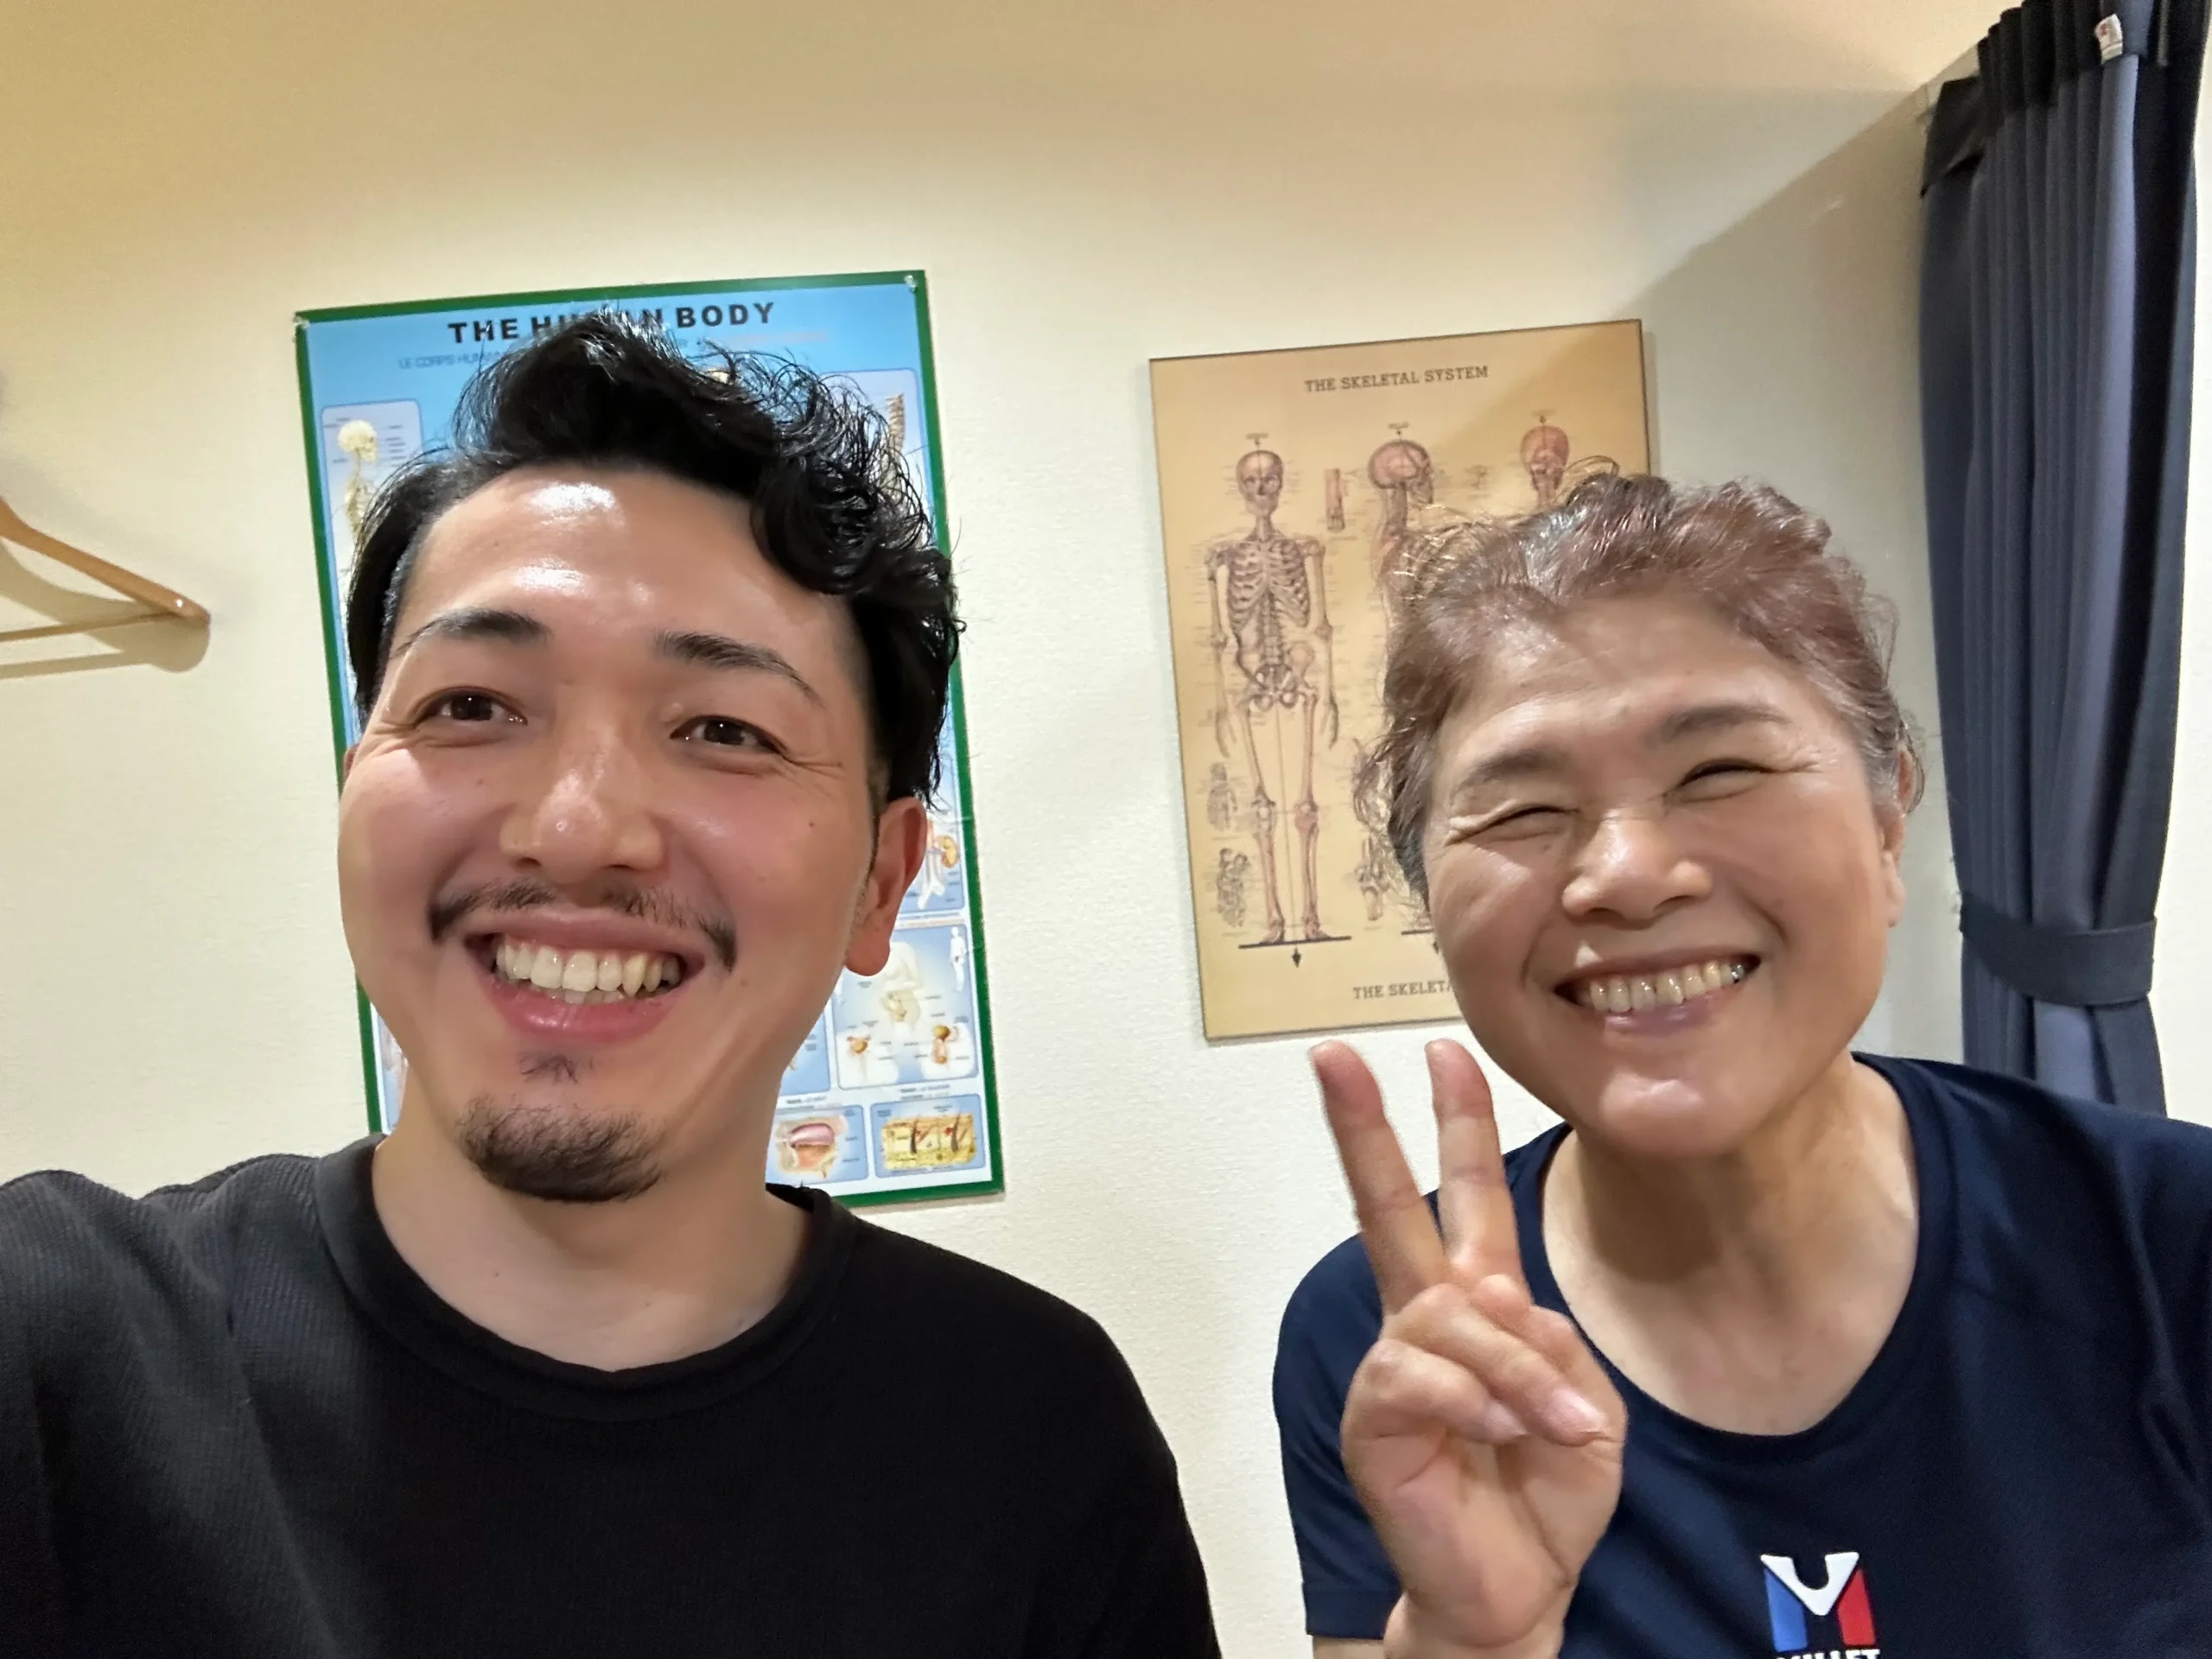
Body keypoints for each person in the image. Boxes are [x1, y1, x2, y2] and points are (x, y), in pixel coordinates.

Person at [0, 315, 1217, 1657]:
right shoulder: (55, 1345)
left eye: (724, 730)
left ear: (883, 881)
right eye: (471, 706)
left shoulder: (1030, 1433)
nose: (576, 830)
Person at [1273, 474, 2212, 1658]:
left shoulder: (2168, 1240)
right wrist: (1469, 1642)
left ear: (1888, 821)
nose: (1626, 874)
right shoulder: (1400, 1343)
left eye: (1719, 772)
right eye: (1521, 812)